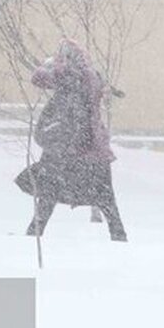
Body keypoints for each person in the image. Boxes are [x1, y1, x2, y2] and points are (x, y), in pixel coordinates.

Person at [15, 40, 127, 242]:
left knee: (48, 195)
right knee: (106, 198)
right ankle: (119, 237)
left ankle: (33, 234)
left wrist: (53, 63)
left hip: (68, 150)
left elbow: (38, 78)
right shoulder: (91, 78)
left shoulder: (68, 76)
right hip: (93, 149)